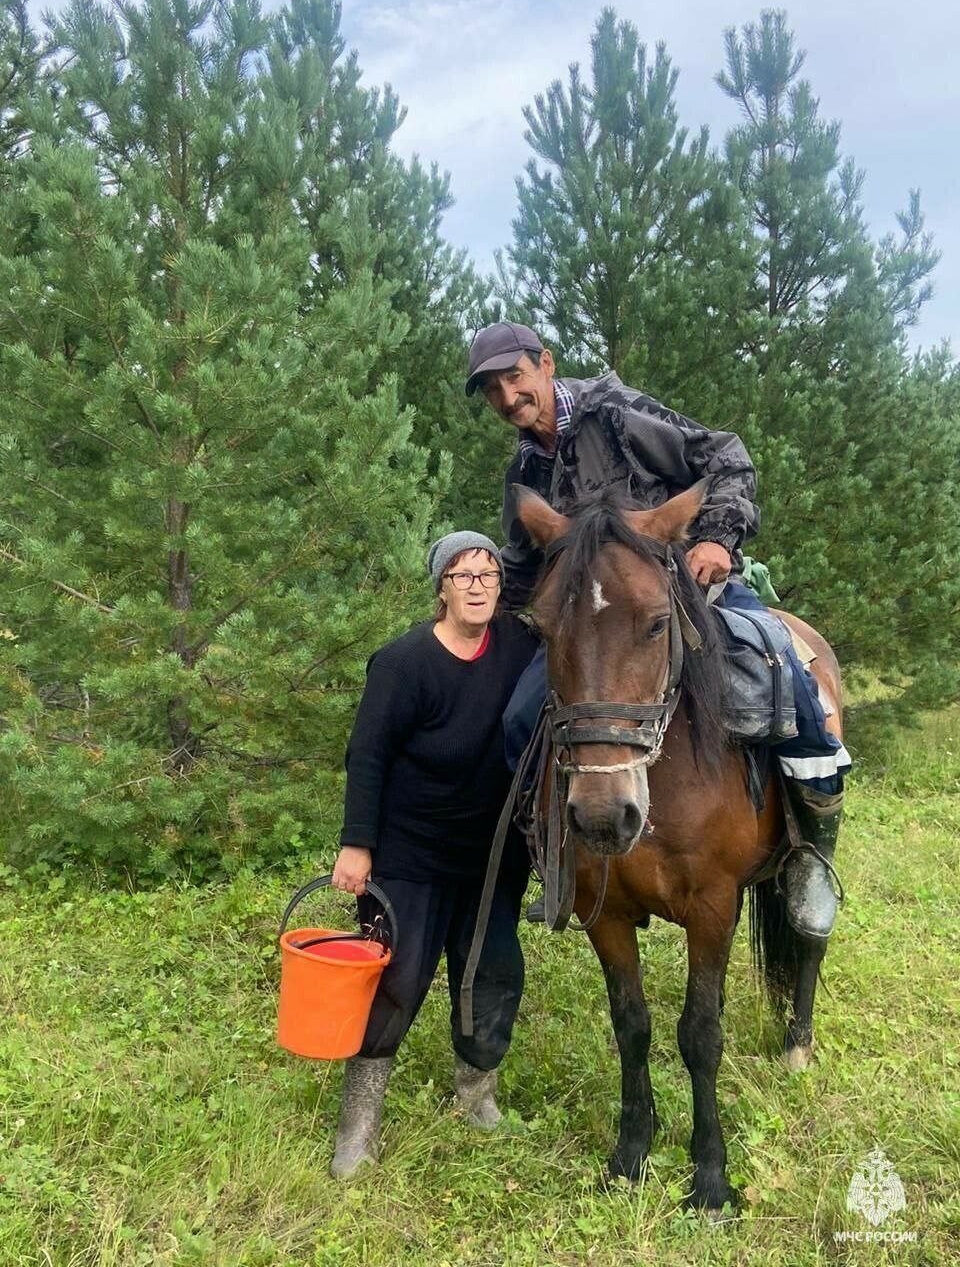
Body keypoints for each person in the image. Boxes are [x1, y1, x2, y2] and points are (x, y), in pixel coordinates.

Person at [464, 321, 851, 943]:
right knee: (517, 720)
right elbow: (523, 564)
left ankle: (809, 854)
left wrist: (719, 539)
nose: (509, 398)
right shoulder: (525, 471)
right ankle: (556, 857)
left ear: (545, 364)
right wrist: (471, 599)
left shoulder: (615, 412)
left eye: (516, 377)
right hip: (597, 624)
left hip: (688, 585)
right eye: (493, 390)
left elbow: (725, 458)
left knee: (784, 671)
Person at [327, 531, 538, 1178]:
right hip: (409, 855)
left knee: (492, 972)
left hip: (493, 857)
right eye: (462, 574)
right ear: (441, 588)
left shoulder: (523, 650)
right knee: (397, 980)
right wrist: (357, 845)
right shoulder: (403, 663)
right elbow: (367, 756)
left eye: (489, 573)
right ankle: (358, 1125)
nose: (477, 584)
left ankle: (476, 1096)